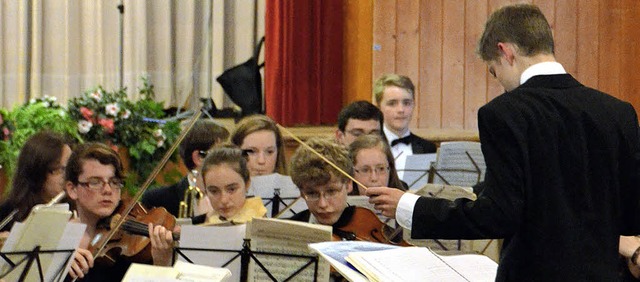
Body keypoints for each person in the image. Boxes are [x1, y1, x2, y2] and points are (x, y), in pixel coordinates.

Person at [366, 4, 640, 281]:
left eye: (494, 72)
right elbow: (631, 216)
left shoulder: (505, 113)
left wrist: (410, 206)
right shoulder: (619, 112)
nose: (500, 84)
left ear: (505, 52)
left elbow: (498, 215)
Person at [65, 142, 174, 281]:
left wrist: (162, 263)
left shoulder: (131, 247)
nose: (107, 190)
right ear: (72, 189)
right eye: (95, 182)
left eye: (114, 182)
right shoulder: (56, 240)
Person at [142, 119, 230, 217]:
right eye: (222, 154)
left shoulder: (235, 196)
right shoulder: (158, 200)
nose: (231, 160)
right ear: (199, 157)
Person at [0, 131, 73, 232]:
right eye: (59, 169)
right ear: (37, 172)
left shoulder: (76, 206)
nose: (68, 176)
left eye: (70, 167)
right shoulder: (9, 213)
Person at [374, 74, 436, 178]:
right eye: (392, 103)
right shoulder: (371, 145)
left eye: (407, 103)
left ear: (414, 105)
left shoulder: (428, 148)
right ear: (379, 107)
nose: (401, 110)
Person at [191, 145, 267, 225]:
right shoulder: (202, 223)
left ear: (247, 184)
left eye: (232, 189)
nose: (224, 200)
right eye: (214, 191)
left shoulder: (258, 220)